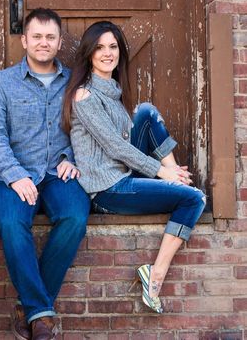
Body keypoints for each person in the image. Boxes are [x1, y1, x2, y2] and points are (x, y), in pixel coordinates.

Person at [62, 20, 206, 314]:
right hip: (107, 190)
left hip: (123, 174)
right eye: (99, 47)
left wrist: (168, 172)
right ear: (89, 54)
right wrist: (160, 171)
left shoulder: (112, 91)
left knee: (146, 112)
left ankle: (177, 179)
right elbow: (115, 147)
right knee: (195, 200)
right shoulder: (84, 96)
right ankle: (156, 276)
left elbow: (126, 141)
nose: (107, 53)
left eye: (113, 47)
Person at [0, 8, 90, 340]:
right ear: (25, 40)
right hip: (12, 175)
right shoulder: (2, 83)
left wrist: (72, 156)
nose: (44, 43)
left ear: (59, 42)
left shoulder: (74, 82)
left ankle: (29, 307)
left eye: (50, 37)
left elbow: (86, 128)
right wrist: (15, 175)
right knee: (13, 223)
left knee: (74, 216)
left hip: (59, 172)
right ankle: (41, 316)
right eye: (37, 36)